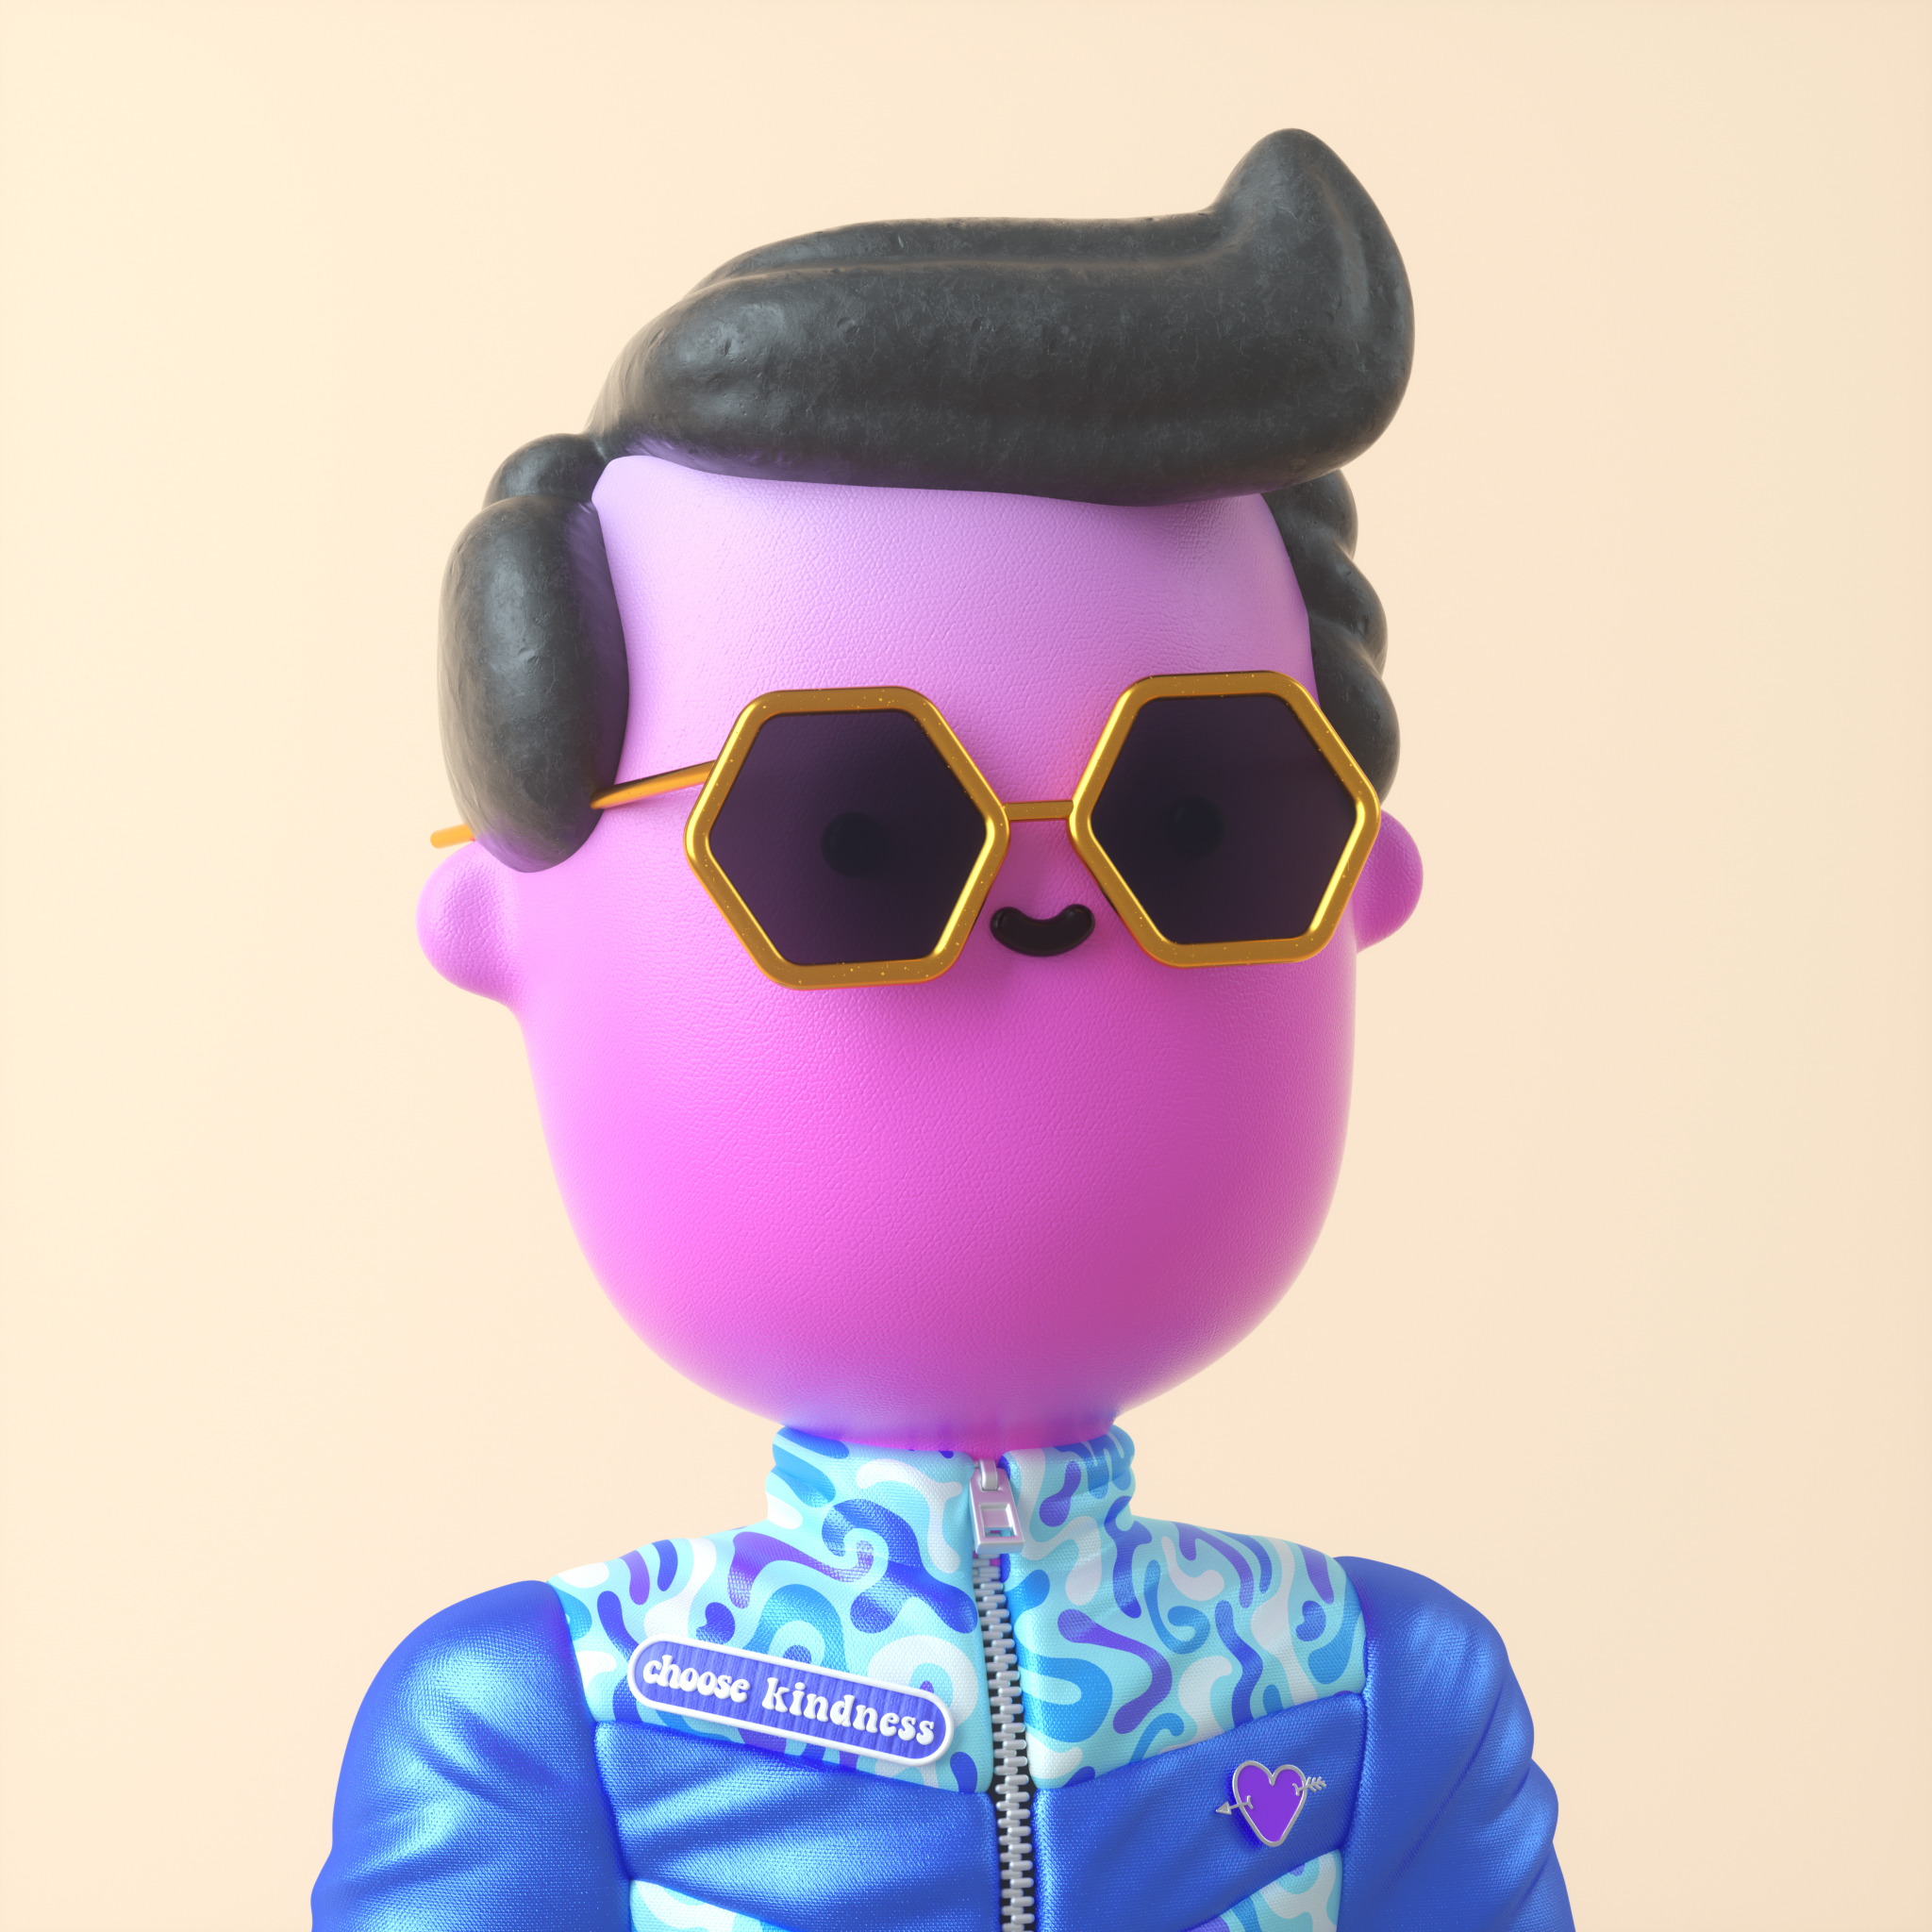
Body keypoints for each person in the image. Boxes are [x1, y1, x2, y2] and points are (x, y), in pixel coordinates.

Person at [314, 130, 1572, 1932]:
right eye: (851, 832)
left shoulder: (1384, 1706)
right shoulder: (543, 1732)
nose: (1043, 906)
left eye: (1202, 818)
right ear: (512, 932)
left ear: (1362, 885)